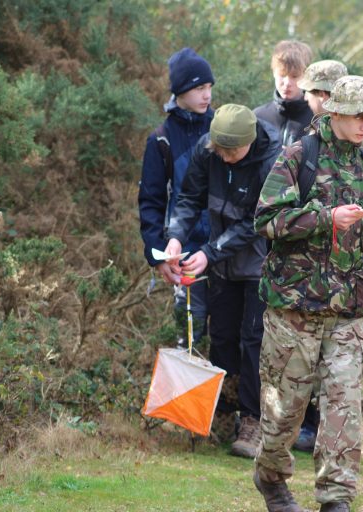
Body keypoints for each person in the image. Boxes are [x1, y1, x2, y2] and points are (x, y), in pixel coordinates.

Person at [253, 75, 363, 512]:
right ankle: (271, 476)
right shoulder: (299, 156)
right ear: (335, 114)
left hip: (347, 309)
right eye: (358, 115)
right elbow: (265, 222)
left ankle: (336, 497)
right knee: (285, 412)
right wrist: (324, 218)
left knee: (343, 408)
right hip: (294, 309)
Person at [164, 104, 280, 459]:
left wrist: (210, 253)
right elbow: (188, 199)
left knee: (253, 340)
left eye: (233, 152)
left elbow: (257, 221)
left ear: (249, 143)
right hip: (221, 265)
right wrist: (175, 238)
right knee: (223, 334)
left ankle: (253, 420)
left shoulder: (272, 159)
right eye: (222, 151)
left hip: (260, 261)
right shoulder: (207, 149)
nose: (226, 158)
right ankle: (221, 414)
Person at [138, 47, 214, 345]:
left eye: (209, 87)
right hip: (184, 255)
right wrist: (157, 254)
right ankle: (190, 394)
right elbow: (151, 200)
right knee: (190, 340)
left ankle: (228, 394)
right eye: (198, 88)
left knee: (228, 340)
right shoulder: (162, 138)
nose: (206, 95)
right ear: (180, 91)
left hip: (225, 252)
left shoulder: (223, 128)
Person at [254, 40, 314, 148]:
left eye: (294, 76)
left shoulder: (317, 120)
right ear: (273, 73)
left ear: (306, 76)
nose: (287, 83)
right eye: (282, 75)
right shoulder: (258, 117)